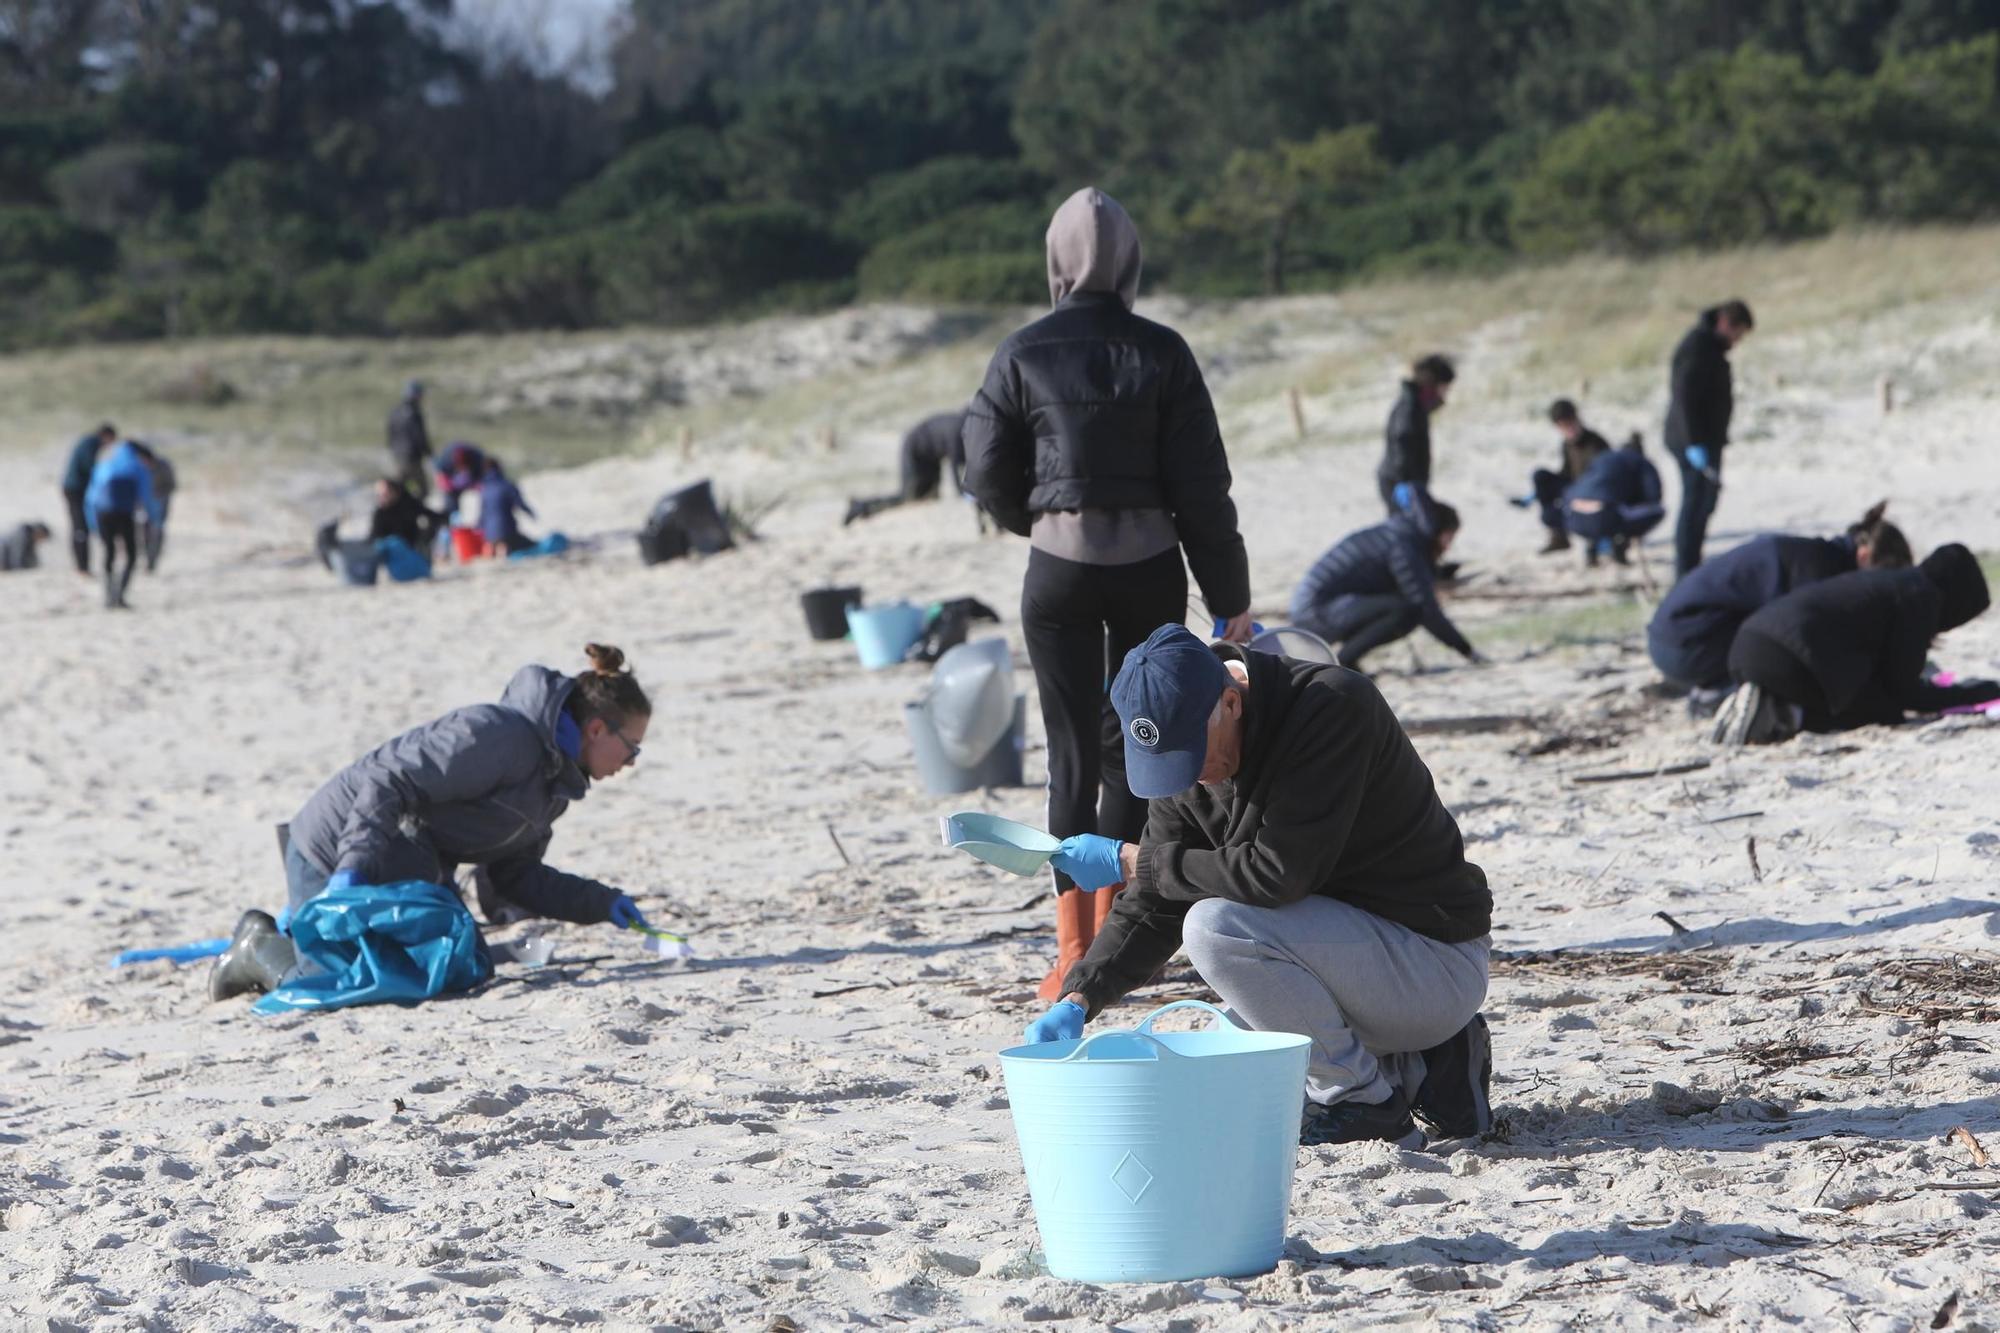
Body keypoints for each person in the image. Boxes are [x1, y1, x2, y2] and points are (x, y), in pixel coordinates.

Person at [1021, 624, 1494, 1147]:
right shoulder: (1189, 750)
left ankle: (1364, 1102)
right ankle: (1428, 1064)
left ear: (1231, 701)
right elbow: (1158, 899)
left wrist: (1133, 860)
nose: (1186, 776)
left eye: (1190, 753)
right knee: (1231, 1060)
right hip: (1350, 959)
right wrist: (1080, 996)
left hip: (1434, 961)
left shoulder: (1333, 708)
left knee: (1215, 928)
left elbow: (1277, 875)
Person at [962, 186, 1253, 1002]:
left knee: (1069, 753)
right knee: (1137, 739)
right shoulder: (1163, 351)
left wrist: (1042, 518)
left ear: (1055, 261)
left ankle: (1069, 949)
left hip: (1057, 569)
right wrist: (1228, 592)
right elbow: (1203, 486)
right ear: (1130, 262)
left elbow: (980, 464)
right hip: (1150, 564)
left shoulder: (1020, 349)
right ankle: (1115, 942)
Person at [209, 644, 658, 1000]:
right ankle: (256, 946)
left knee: (457, 967)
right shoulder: (498, 735)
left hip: (403, 860)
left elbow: (512, 876)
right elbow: (386, 783)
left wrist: (600, 903)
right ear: (597, 730)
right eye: (632, 747)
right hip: (332, 845)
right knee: (330, 984)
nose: (632, 761)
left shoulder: (554, 786)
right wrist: (350, 874)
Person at [1714, 544, 1998, 746]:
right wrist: (1980, 692)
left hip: (1747, 645)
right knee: (1882, 710)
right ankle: (1783, 712)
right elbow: (1905, 692)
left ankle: (1769, 700)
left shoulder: (1895, 583)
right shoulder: (1920, 598)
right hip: (1786, 660)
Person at [1648, 503, 1911, 708]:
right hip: (1684, 645)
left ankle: (1715, 685)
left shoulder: (1813, 556)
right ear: (1864, 556)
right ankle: (1715, 693)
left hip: (1671, 637)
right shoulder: (1816, 569)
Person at [1289, 495, 1479, 671]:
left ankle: (1346, 661)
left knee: (1404, 607)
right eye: (1449, 537)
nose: (1448, 546)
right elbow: (1424, 605)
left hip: (1313, 607)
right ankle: (1344, 661)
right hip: (1318, 612)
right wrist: (1465, 649)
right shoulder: (1405, 546)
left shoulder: (1401, 533)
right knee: (1408, 612)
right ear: (1439, 530)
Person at [1664, 299, 1753, 579]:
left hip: (1708, 440)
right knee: (1694, 503)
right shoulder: (1697, 347)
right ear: (1726, 324)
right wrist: (1693, 443)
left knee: (1707, 501)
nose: (1737, 342)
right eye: (1738, 334)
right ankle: (1685, 571)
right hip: (1692, 442)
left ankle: (1692, 564)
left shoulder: (1711, 347)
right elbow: (1684, 399)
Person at [843, 410, 969, 525]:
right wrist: (962, 494)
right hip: (913, 450)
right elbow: (956, 466)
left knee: (930, 497)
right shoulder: (957, 431)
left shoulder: (961, 426)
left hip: (931, 458)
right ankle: (861, 507)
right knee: (907, 497)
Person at [1517, 399, 1609, 554]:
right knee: (1541, 477)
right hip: (1574, 487)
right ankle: (1559, 537)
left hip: (1593, 492)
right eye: (1562, 425)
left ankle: (1597, 538)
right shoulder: (1567, 444)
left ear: (1577, 418)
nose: (1567, 428)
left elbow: (1605, 475)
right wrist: (1533, 496)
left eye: (1569, 422)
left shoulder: (1595, 443)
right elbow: (1566, 472)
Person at [1559, 434, 1664, 568]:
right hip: (1603, 515)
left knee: (1601, 507)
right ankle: (1620, 546)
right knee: (1646, 512)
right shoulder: (1640, 461)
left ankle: (1593, 549)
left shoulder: (1603, 458)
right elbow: (1653, 495)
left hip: (1572, 515)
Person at [84, 436, 162, 609]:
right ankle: (119, 594)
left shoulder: (105, 464)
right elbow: (146, 497)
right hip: (124, 514)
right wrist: (154, 519)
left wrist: (91, 522)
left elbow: (91, 497)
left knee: (109, 553)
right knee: (131, 555)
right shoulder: (138, 467)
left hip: (103, 514)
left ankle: (108, 595)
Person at [1378, 354, 1455, 514]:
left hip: (1404, 480)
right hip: (1399, 482)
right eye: (1444, 388)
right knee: (1406, 530)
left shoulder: (1416, 404)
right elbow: (1402, 442)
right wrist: (1404, 482)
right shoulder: (1410, 408)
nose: (1446, 394)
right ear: (1433, 385)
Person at [59, 423, 116, 574]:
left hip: (75, 488)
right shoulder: (90, 443)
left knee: (80, 526)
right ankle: (82, 566)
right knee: (80, 527)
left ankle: (82, 566)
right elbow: (89, 466)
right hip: (75, 490)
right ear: (106, 436)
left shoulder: (89, 442)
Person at [478, 458, 536, 555]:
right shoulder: (507, 485)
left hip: (489, 532)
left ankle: (490, 554)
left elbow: (483, 512)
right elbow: (520, 503)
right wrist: (531, 513)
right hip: (506, 530)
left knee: (491, 544)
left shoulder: (485, 488)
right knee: (504, 544)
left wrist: (479, 526)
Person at [386, 380, 433, 499]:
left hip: (397, 456)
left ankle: (402, 512)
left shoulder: (395, 412)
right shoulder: (414, 413)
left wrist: (393, 450)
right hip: (412, 457)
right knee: (423, 489)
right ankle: (414, 511)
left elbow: (390, 433)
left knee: (398, 488)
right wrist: (428, 452)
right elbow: (419, 436)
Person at [134, 442, 175, 572]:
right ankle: (146, 557)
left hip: (160, 502)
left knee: (157, 531)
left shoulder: (163, 466)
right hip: (144, 503)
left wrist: (159, 496)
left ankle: (152, 560)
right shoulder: (139, 467)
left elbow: (172, 485)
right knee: (143, 530)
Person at [369, 476, 441, 549]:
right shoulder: (380, 514)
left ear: (394, 491)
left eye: (385, 494)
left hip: (414, 545)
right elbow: (374, 537)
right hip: (394, 551)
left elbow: (428, 513)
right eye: (379, 495)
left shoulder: (408, 503)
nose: (382, 498)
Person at [434, 440, 487, 516]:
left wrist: (477, 485)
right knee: (450, 499)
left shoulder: (478, 457)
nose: (462, 469)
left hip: (473, 480)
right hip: (452, 484)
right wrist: (446, 484)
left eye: (464, 467)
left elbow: (484, 476)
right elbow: (440, 473)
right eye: (460, 467)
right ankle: (451, 516)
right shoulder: (447, 457)